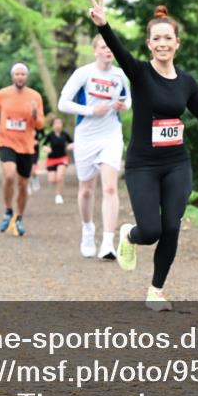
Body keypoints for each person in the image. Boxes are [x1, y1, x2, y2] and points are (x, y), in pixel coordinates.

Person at [87, 0, 198, 310]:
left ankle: (156, 291)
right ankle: (130, 235)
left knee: (171, 226)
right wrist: (104, 26)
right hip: (143, 165)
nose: (162, 43)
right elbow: (119, 51)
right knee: (152, 231)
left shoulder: (186, 83)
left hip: (176, 164)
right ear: (149, 44)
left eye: (167, 38)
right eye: (156, 38)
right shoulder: (140, 73)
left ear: (177, 43)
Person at [58, 34, 131, 259]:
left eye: (111, 47)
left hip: (111, 135)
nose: (108, 50)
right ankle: (88, 229)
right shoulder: (84, 73)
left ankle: (108, 243)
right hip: (86, 136)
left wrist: (122, 106)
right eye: (103, 47)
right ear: (95, 50)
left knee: (110, 188)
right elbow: (63, 103)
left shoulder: (120, 74)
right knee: (86, 189)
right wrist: (90, 110)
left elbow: (128, 101)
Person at [0, 63, 45, 237]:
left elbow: (40, 124)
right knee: (10, 175)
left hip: (26, 145)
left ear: (26, 77)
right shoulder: (2, 94)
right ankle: (7, 210)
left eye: (23, 74)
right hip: (6, 141)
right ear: (12, 76)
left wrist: (34, 114)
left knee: (23, 184)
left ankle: (19, 217)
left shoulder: (35, 96)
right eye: (17, 74)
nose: (20, 77)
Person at [42, 117, 74, 206]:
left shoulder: (65, 134)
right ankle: (58, 190)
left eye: (59, 123)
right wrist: (46, 149)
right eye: (56, 123)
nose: (58, 125)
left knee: (60, 177)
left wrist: (70, 146)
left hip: (62, 158)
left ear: (62, 125)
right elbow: (44, 145)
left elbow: (72, 142)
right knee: (52, 180)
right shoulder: (50, 135)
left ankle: (59, 195)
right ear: (52, 125)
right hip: (51, 159)